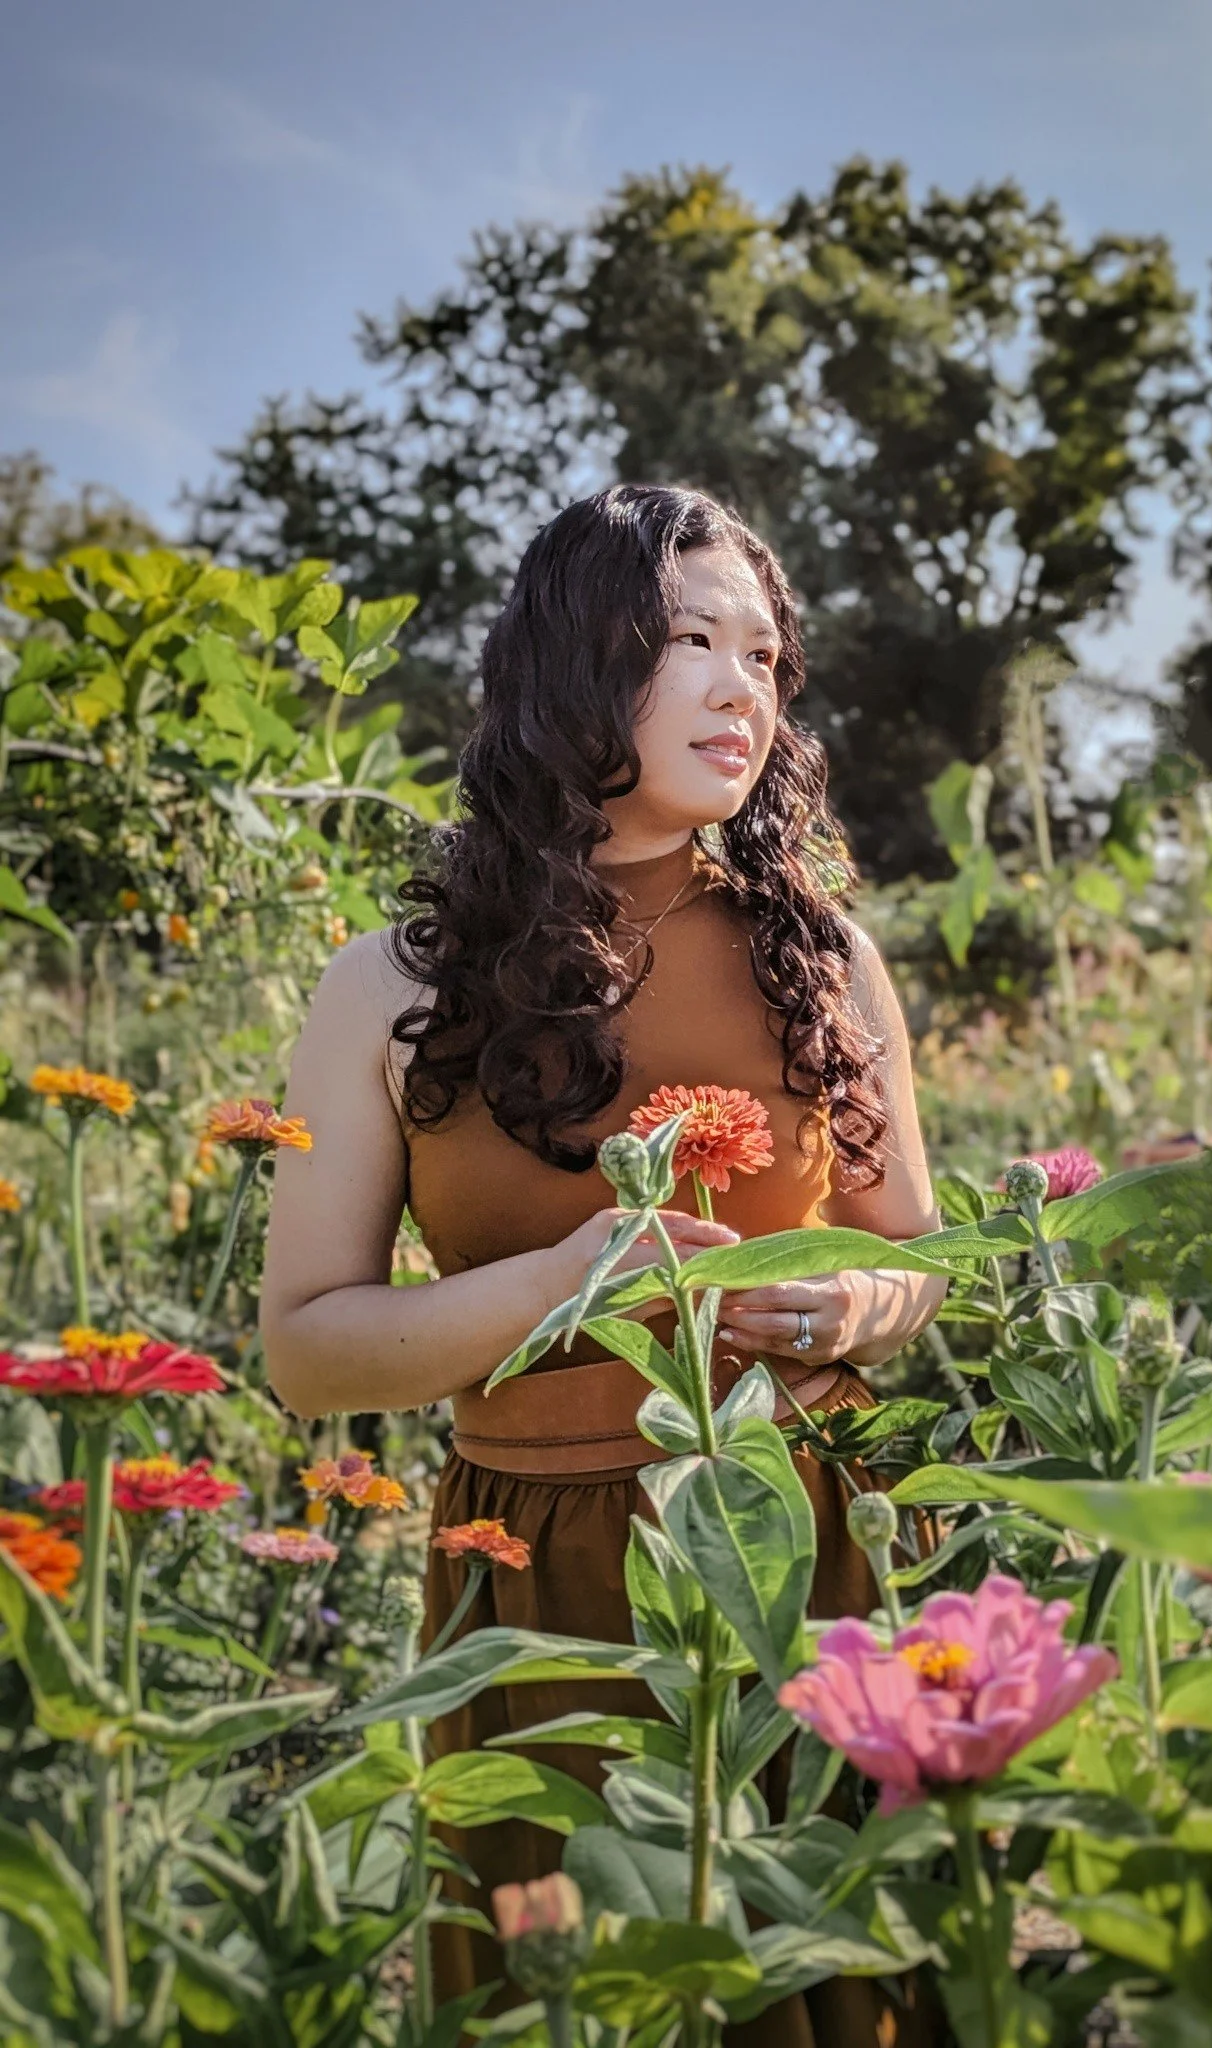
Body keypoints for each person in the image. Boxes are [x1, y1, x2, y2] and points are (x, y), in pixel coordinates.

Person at [261, 483, 946, 2042]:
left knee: (823, 1985)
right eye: (688, 640)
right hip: (538, 1578)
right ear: (576, 666)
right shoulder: (391, 983)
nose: (741, 688)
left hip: (802, 1552)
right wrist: (559, 1284)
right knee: (564, 2006)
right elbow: (305, 1352)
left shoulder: (824, 955)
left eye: (765, 656)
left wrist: (854, 1304)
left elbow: (920, 1256)